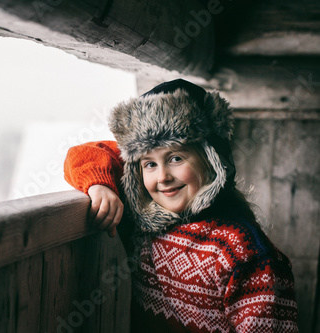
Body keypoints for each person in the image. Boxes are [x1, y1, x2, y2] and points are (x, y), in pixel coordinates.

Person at [63, 79, 298, 332]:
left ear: (211, 159)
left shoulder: (244, 251)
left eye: (175, 158)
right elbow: (82, 153)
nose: (162, 176)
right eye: (149, 164)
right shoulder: (145, 222)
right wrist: (100, 185)